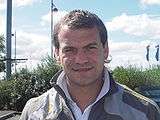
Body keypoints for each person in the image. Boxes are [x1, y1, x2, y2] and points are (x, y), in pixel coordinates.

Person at [20, 10, 160, 120]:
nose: (81, 59)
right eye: (69, 49)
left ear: (105, 50)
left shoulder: (145, 112)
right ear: (57, 54)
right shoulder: (34, 112)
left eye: (90, 48)